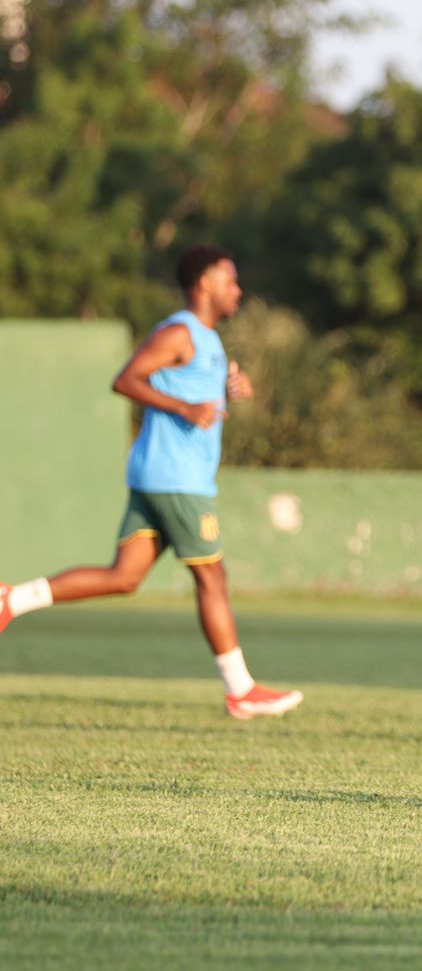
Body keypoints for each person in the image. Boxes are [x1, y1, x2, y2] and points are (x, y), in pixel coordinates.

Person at [0, 245, 303, 720]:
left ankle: (12, 599)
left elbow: (192, 388)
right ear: (205, 284)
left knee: (124, 577)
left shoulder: (208, 340)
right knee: (212, 575)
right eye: (231, 280)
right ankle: (240, 690)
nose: (238, 290)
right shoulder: (179, 332)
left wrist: (226, 390)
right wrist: (184, 409)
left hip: (163, 475)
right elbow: (126, 379)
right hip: (176, 478)